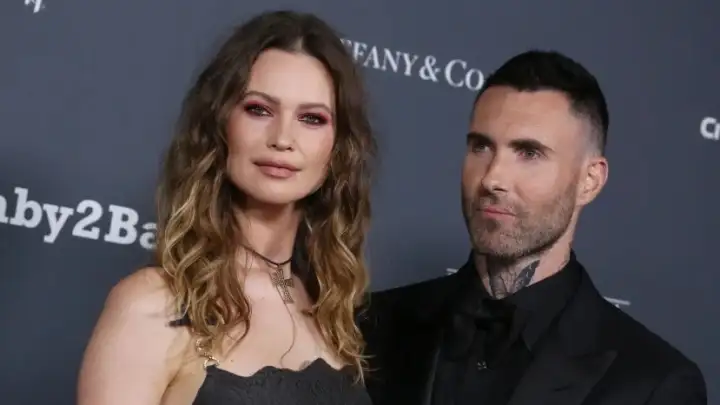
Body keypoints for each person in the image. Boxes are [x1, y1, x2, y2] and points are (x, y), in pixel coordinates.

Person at [359, 50, 707, 405]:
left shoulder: (654, 383)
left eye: (529, 153)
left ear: (589, 181)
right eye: (481, 146)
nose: (492, 178)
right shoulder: (369, 326)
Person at [77, 10, 376, 405]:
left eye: (312, 118)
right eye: (259, 109)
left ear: (338, 149)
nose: (282, 138)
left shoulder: (332, 311)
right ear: (219, 125)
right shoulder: (152, 304)